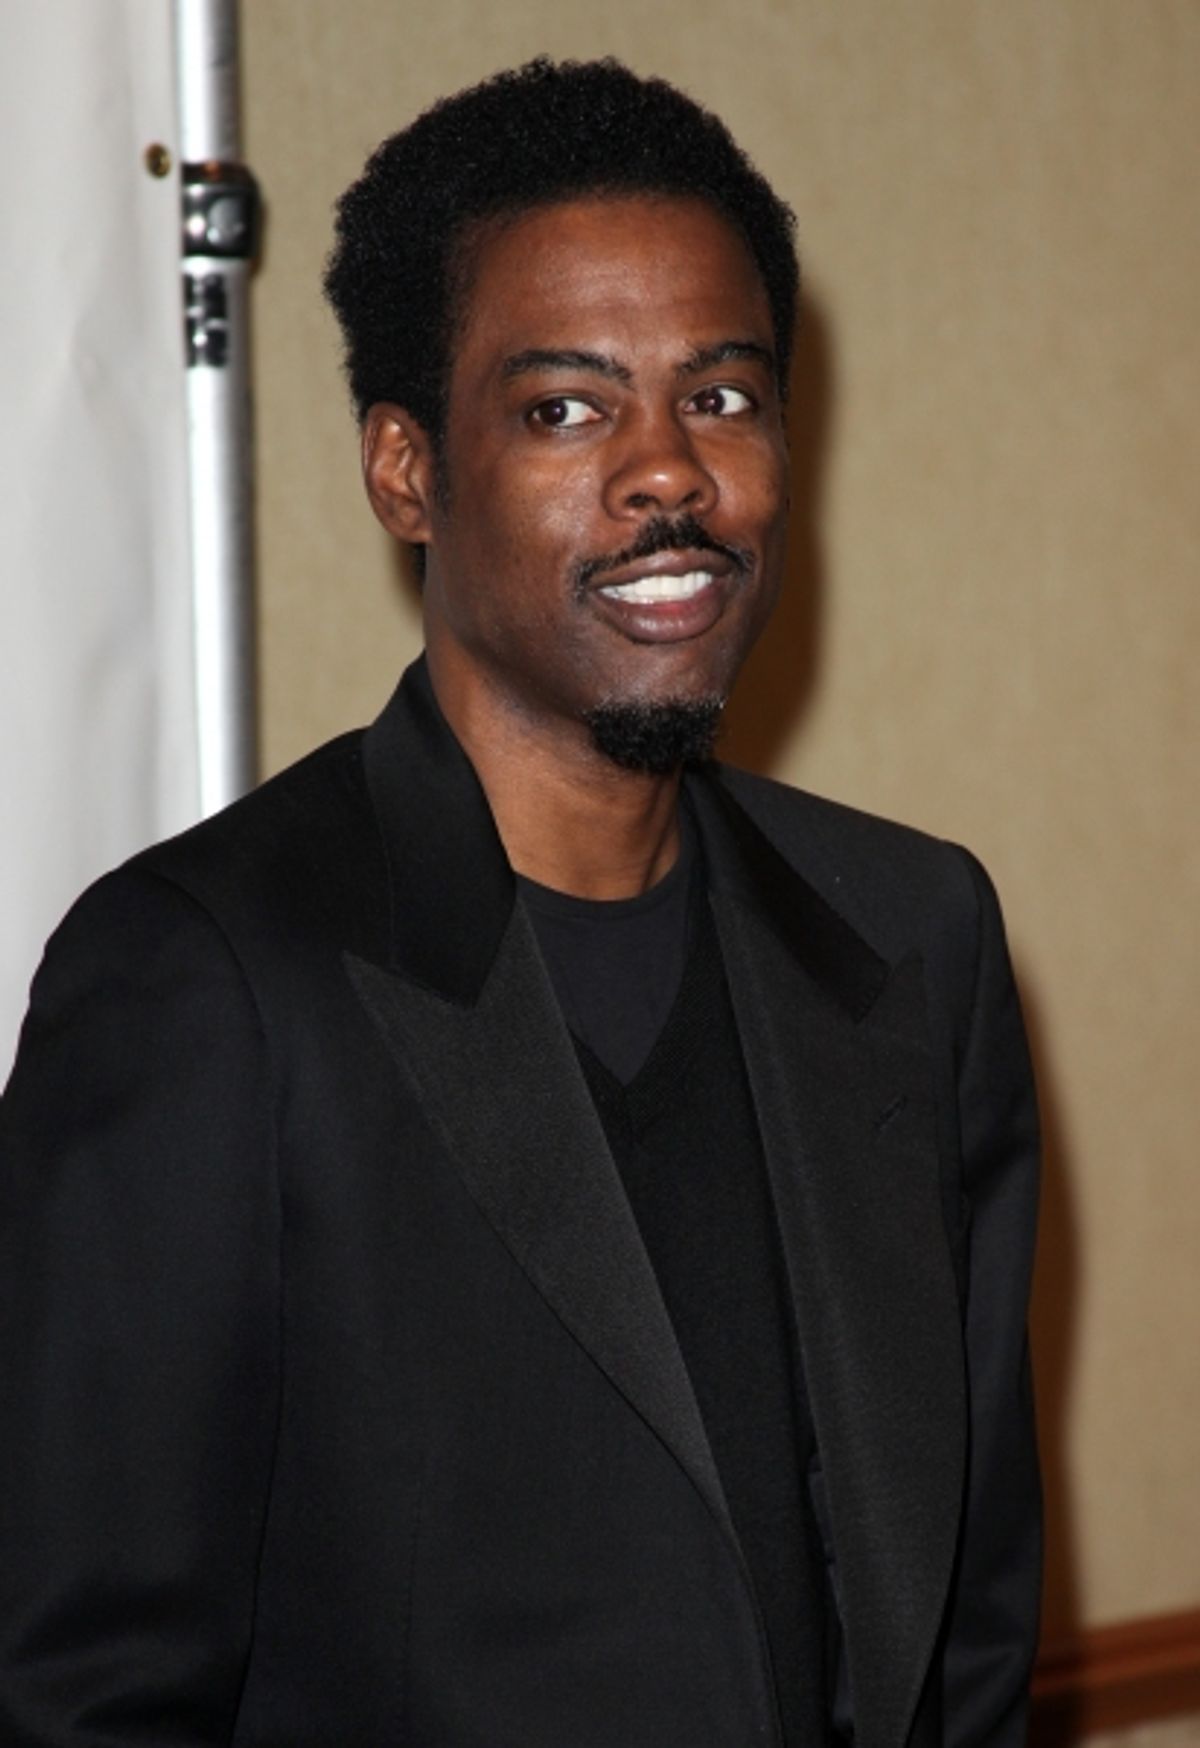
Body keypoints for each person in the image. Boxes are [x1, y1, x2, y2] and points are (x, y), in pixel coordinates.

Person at [0, 57, 1041, 1748]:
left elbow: (964, 1637)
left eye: (723, 398)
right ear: (406, 472)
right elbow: (83, 1692)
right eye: (566, 408)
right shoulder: (200, 978)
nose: (667, 476)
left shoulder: (916, 937)